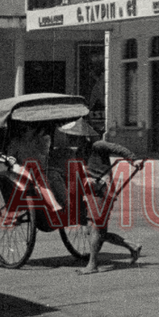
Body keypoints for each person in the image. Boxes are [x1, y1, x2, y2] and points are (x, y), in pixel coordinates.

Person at [53, 117, 142, 274]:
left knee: (95, 228)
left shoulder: (97, 145)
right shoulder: (79, 152)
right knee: (96, 230)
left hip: (103, 189)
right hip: (92, 190)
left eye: (73, 136)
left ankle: (92, 265)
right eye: (70, 136)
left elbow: (118, 148)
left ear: (82, 137)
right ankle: (132, 246)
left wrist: (133, 160)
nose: (70, 139)